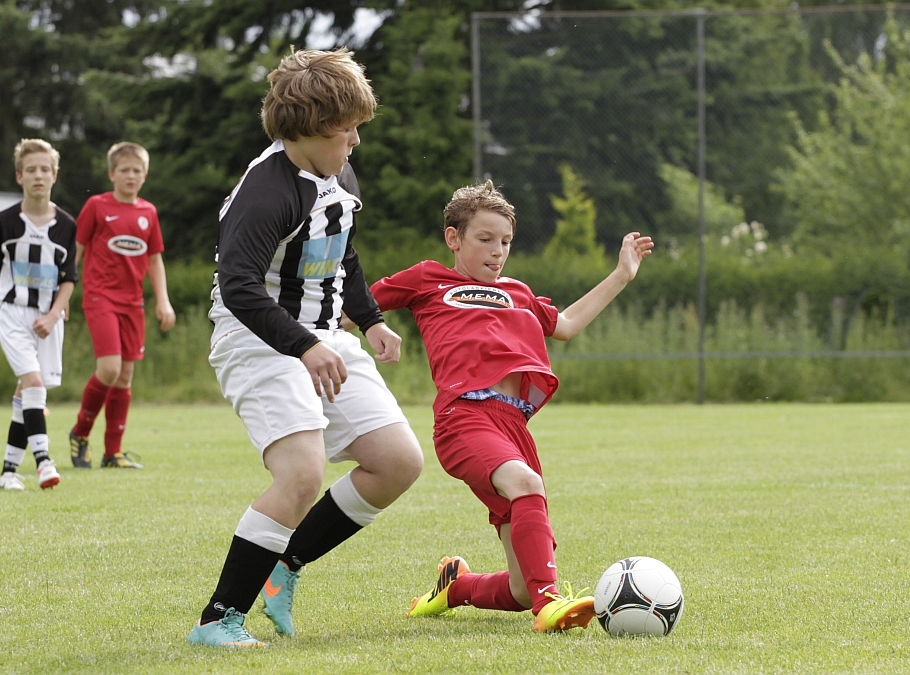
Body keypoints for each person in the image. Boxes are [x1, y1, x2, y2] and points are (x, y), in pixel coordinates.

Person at [187, 47, 423, 648]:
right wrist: (303, 346)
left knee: (397, 461)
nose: (356, 141)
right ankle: (218, 620)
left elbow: (343, 250)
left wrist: (370, 320)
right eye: (347, 130)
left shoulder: (337, 172)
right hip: (258, 339)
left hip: (320, 337)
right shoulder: (265, 192)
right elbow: (239, 287)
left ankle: (283, 568)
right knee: (301, 474)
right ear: (311, 129)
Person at [369, 180, 654, 632]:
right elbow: (352, 305)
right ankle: (551, 603)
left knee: (521, 588)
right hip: (463, 417)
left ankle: (456, 587)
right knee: (526, 483)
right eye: (485, 239)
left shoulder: (518, 292)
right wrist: (363, 329)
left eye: (505, 242)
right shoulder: (427, 278)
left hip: (513, 426)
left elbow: (566, 324)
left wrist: (622, 273)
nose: (497, 251)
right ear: (453, 238)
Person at [68, 141, 176, 469]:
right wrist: (63, 294)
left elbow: (154, 259)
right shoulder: (96, 206)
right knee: (110, 368)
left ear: (145, 175)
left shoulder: (148, 212)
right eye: (125, 170)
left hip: (133, 303)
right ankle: (80, 433)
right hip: (100, 297)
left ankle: (112, 453)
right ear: (111, 174)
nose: (131, 176)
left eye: (137, 171)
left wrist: (163, 300)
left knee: (125, 375)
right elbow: (76, 251)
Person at [0, 138, 78, 490]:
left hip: (47, 321)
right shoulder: (4, 222)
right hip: (12, 314)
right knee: (34, 384)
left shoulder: (67, 224)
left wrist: (53, 315)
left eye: (45, 169)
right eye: (31, 170)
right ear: (19, 176)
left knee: (29, 392)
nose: (39, 175)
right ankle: (44, 463)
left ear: (54, 175)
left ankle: (8, 472)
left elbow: (69, 279)